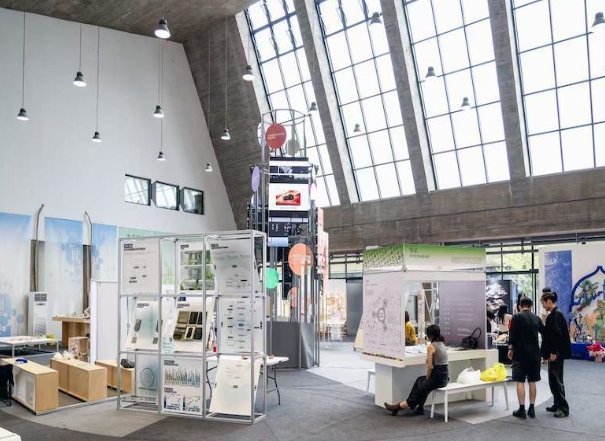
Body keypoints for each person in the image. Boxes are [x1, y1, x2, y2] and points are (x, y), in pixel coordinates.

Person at [384, 325, 448, 416]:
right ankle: (419, 408)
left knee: (421, 387)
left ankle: (399, 406)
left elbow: (429, 367)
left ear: (430, 336)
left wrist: (427, 378)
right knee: (420, 381)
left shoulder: (431, 346)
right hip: (444, 377)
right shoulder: (442, 344)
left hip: (437, 378)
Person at [508, 297, 544, 419]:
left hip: (520, 354)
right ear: (531, 306)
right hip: (534, 355)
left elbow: (512, 335)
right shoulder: (536, 318)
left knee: (520, 381)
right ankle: (532, 409)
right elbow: (544, 332)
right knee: (532, 381)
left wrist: (510, 349)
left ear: (520, 306)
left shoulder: (516, 317)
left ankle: (522, 409)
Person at [541, 291, 571, 418]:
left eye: (543, 303)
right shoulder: (552, 314)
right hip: (553, 352)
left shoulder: (557, 314)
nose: (543, 306)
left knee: (557, 380)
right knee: (553, 380)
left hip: (557, 353)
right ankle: (557, 403)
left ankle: (563, 408)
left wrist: (553, 352)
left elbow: (556, 335)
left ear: (549, 301)